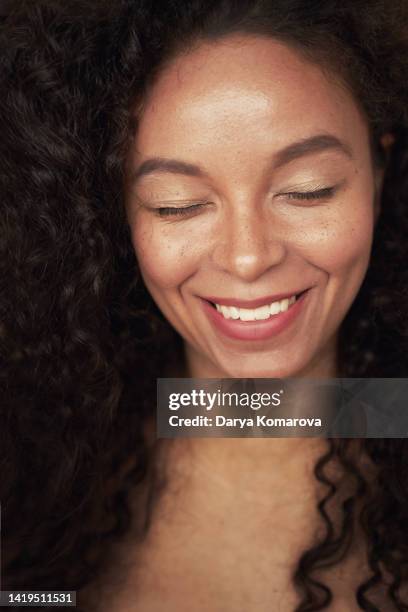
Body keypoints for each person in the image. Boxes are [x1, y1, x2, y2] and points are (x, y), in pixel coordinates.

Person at [1, 0, 408, 610]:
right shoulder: (36, 472)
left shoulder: (386, 418)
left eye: (309, 190)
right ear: (114, 212)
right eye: (177, 204)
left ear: (378, 165)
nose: (249, 258)